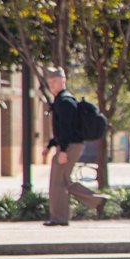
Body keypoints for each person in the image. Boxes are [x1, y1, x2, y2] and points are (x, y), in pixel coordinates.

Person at [43, 66, 108, 226]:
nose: (52, 84)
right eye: (50, 81)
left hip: (70, 146)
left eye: (55, 81)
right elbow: (60, 129)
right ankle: (96, 201)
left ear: (63, 81)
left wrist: (63, 150)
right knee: (62, 181)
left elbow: (67, 128)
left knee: (59, 182)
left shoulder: (65, 101)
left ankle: (59, 218)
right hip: (69, 145)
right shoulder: (61, 100)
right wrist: (51, 144)